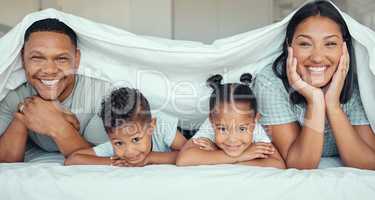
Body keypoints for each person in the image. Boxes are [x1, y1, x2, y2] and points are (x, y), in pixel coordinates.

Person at [254, 0, 375, 169]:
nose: (317, 57)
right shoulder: (270, 81)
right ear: (290, 46)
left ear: (344, 48)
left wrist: (333, 105)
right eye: (305, 44)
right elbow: (300, 163)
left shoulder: (356, 82)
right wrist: (316, 101)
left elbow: (369, 162)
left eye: (330, 44)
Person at [0, 18, 112, 162]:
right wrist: (25, 113)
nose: (49, 70)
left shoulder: (101, 95)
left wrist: (58, 125)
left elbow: (98, 160)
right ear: (23, 59)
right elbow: (5, 162)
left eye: (61, 59)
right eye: (37, 58)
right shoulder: (14, 96)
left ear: (76, 60)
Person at [176, 73, 285, 169]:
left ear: (255, 120)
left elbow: (278, 164)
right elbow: (184, 159)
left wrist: (217, 155)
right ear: (211, 120)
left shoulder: (255, 128)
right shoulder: (212, 123)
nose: (232, 139)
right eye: (223, 129)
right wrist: (243, 156)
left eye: (242, 129)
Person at [65, 87, 187, 166]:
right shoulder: (115, 147)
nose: (129, 152)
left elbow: (189, 153)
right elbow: (72, 159)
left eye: (136, 139)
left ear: (151, 126)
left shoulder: (161, 127)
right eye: (119, 143)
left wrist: (150, 158)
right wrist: (112, 162)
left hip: (188, 132)